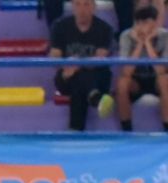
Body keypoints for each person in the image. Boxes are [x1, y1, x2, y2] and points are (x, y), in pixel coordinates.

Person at [49, 0, 117, 131]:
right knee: (76, 79)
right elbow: (55, 56)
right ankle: (96, 99)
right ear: (73, 7)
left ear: (94, 8)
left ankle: (75, 130)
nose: (82, 9)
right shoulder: (60, 26)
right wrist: (65, 66)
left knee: (79, 83)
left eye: (86, 4)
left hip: (97, 78)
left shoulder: (105, 28)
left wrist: (77, 64)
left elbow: (99, 59)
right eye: (78, 4)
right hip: (67, 74)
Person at [116, 2, 168, 132]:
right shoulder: (126, 36)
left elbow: (161, 70)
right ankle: (127, 130)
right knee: (122, 83)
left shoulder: (165, 36)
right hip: (136, 81)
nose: (144, 28)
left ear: (156, 24)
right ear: (136, 24)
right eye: (141, 23)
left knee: (165, 80)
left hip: (156, 79)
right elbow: (126, 71)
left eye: (148, 24)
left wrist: (148, 44)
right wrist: (139, 44)